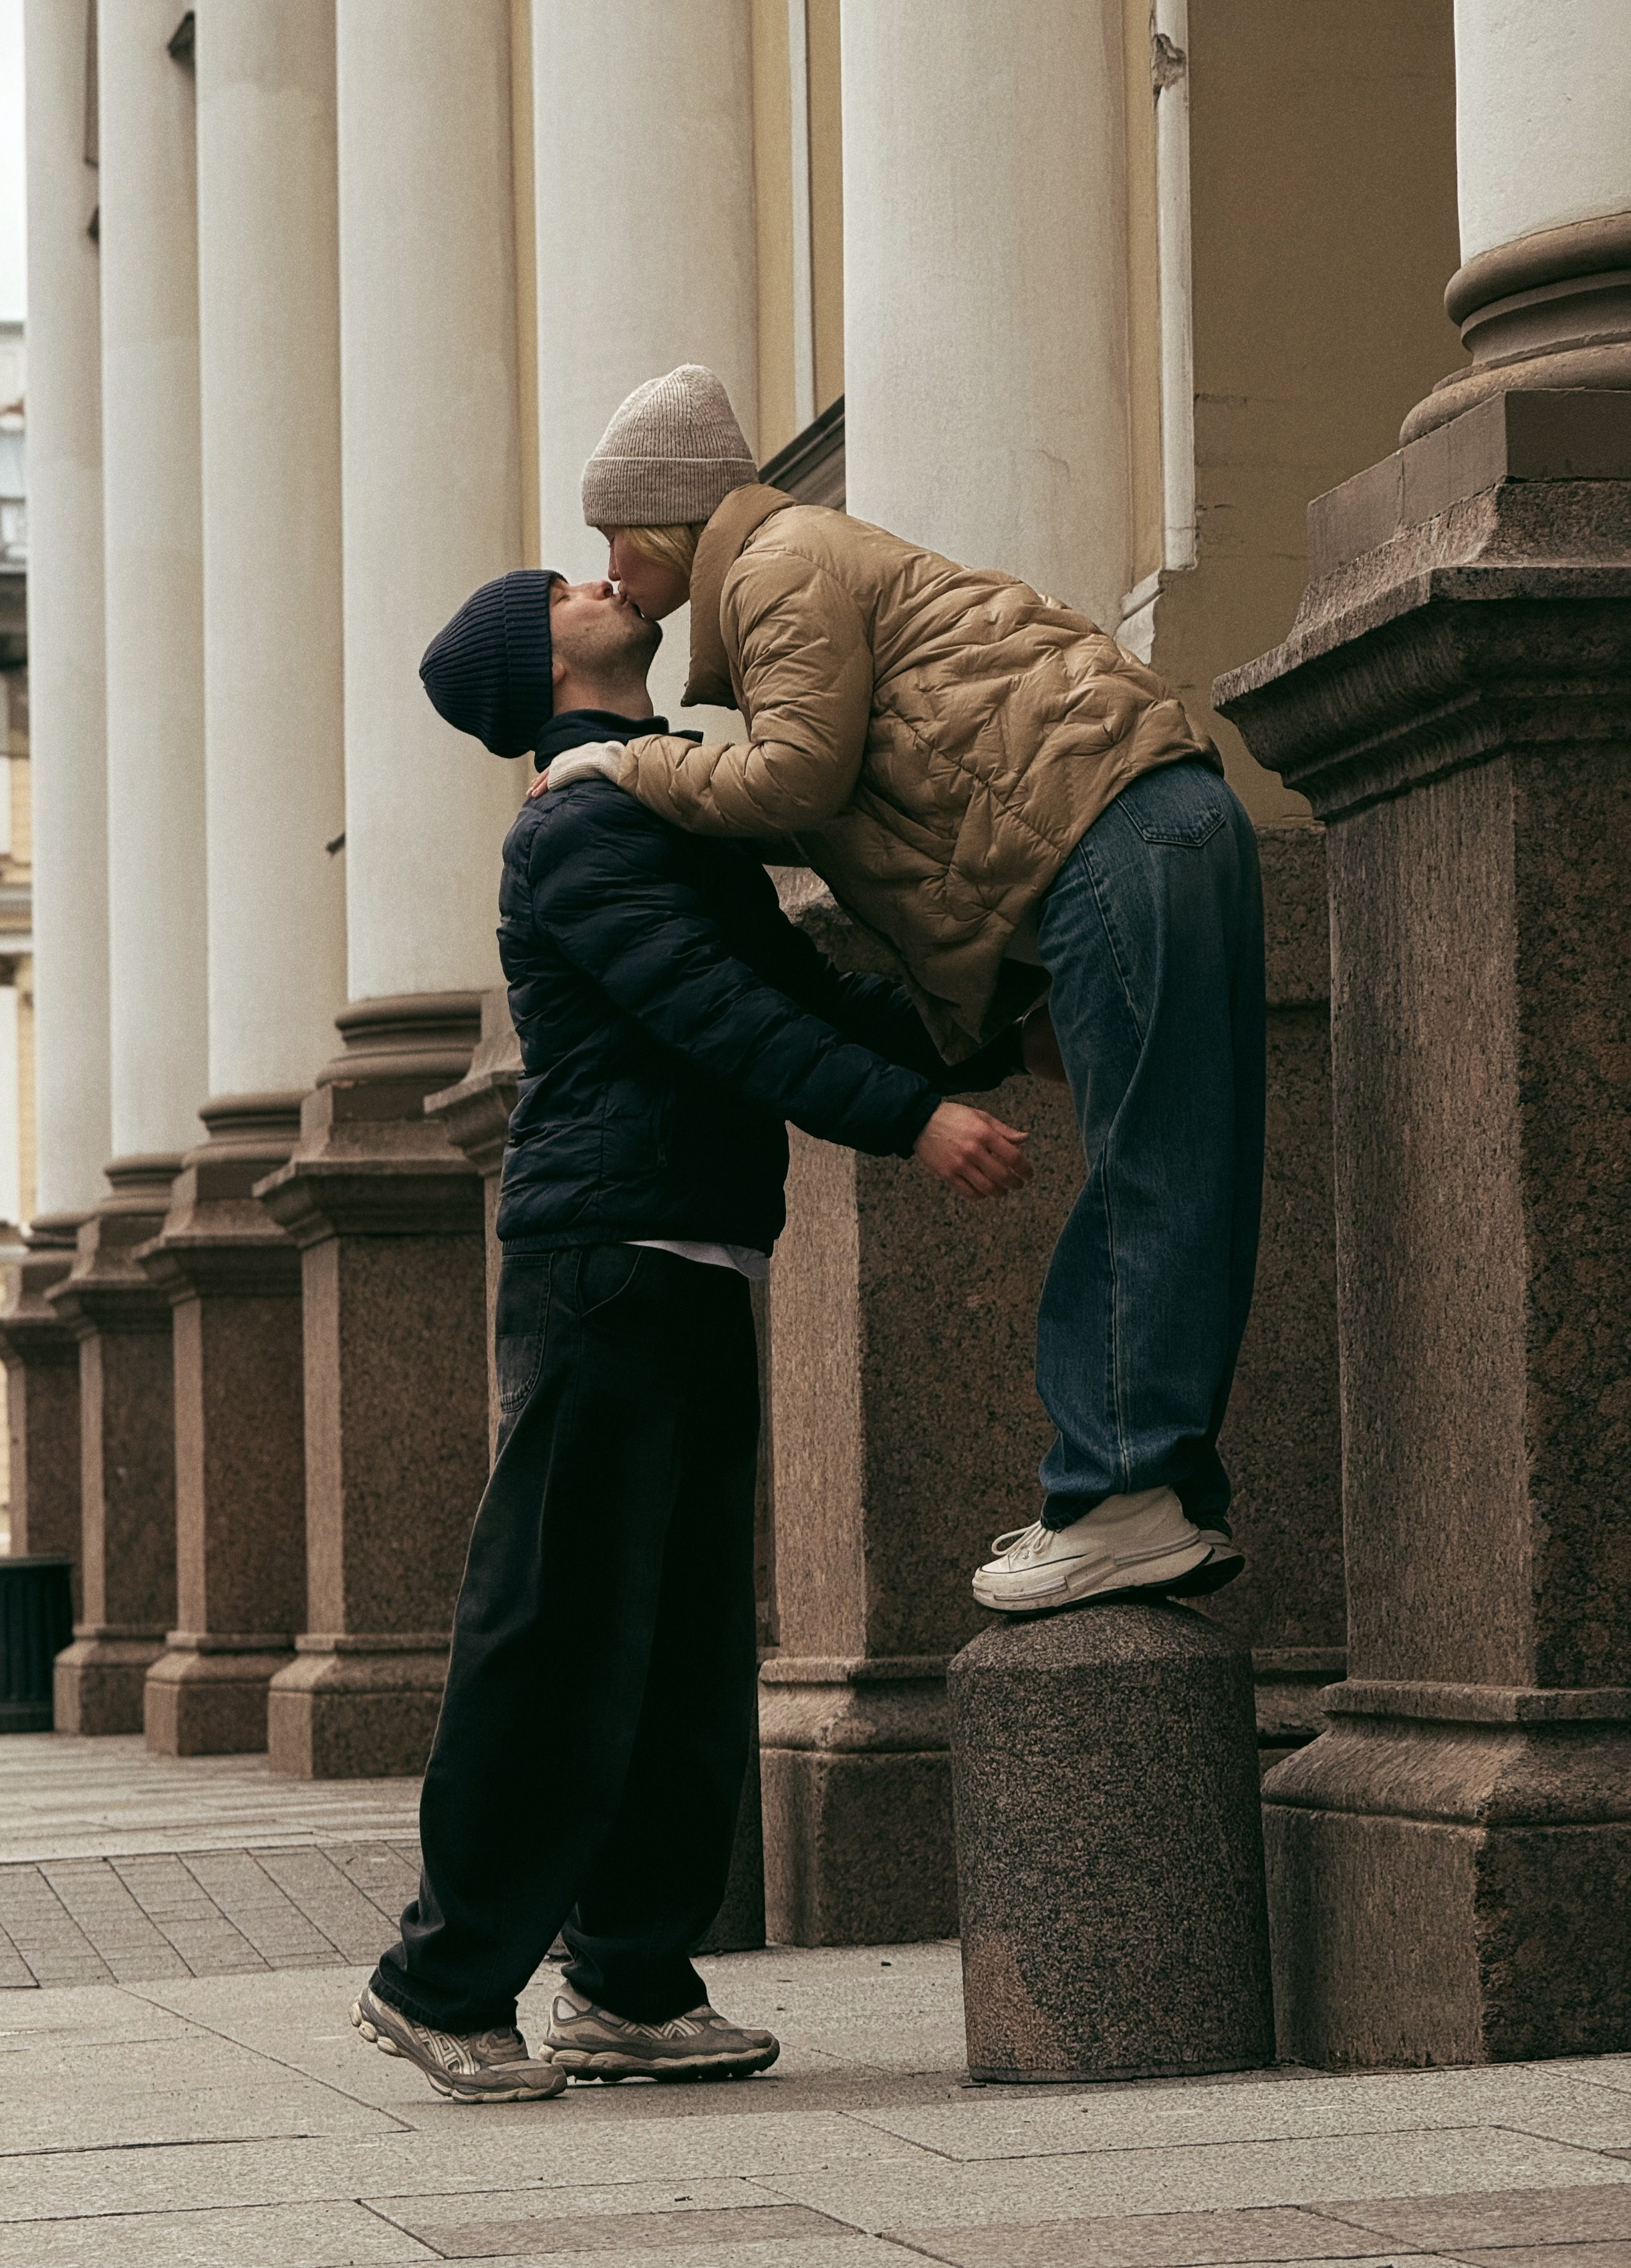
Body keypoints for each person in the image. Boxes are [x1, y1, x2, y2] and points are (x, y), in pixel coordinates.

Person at [350, 565, 1028, 2106]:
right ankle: (440, 1980)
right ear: (540, 662)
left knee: (681, 1647)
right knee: (561, 1634)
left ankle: (631, 1985)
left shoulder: (654, 807)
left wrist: (984, 1032)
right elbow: (717, 1017)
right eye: (558, 589)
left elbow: (796, 983)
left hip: (689, 1258)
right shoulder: (576, 829)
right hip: (606, 1266)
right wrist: (915, 1117)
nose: (597, 575)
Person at [536, 364, 1264, 1618]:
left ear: (664, 519)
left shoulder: (773, 564)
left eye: (613, 532)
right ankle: (1150, 1494)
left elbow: (799, 782)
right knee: (1183, 1165)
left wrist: (627, 763)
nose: (607, 565)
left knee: (1152, 1171)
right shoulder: (810, 558)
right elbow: (895, 808)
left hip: (1109, 840)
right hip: (1158, 820)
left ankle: (1121, 1492)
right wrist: (999, 1019)